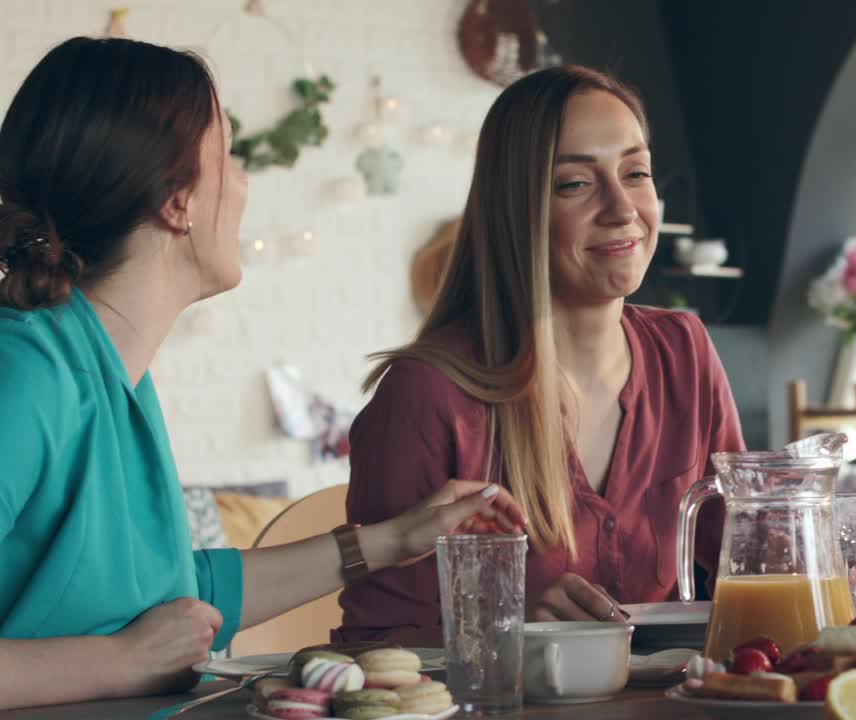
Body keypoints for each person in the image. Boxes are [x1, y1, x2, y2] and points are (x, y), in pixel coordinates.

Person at [0, 37, 525, 711]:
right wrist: (123, 661)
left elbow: (168, 602)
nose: (243, 183)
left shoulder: (113, 380)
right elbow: (140, 640)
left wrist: (395, 539)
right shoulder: (28, 376)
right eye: (230, 156)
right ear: (176, 202)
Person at [335, 66, 746, 645]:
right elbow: (375, 647)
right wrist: (509, 629)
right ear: (515, 208)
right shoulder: (427, 394)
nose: (622, 208)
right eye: (574, 183)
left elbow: (751, 560)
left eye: (636, 172)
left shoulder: (684, 350)